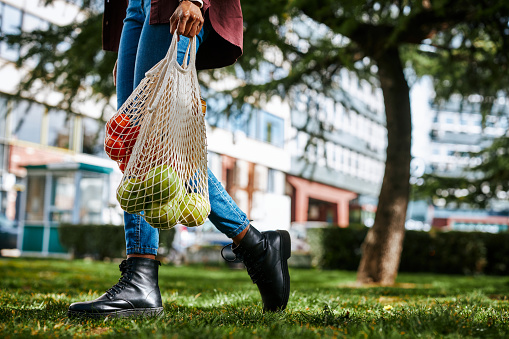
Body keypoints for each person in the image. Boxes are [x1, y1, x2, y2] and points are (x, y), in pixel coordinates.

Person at [67, 0, 291, 318]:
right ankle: (256, 245)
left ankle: (143, 278)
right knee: (134, 137)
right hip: (136, 9)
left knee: (151, 141)